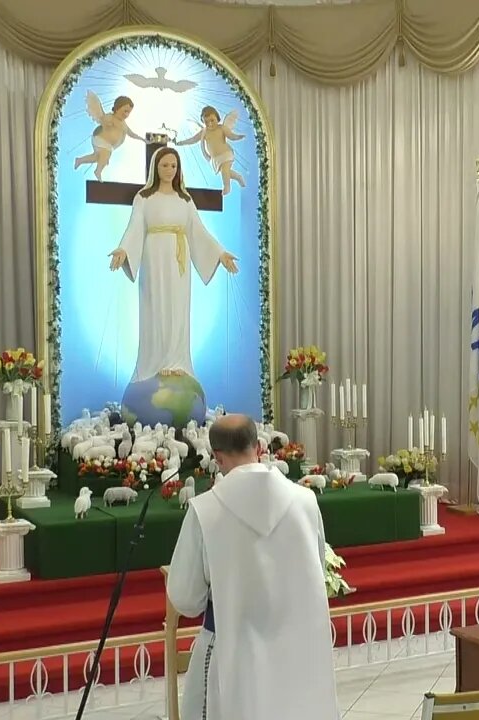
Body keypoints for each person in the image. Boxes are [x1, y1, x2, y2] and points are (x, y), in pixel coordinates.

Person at [167, 414, 339, 720]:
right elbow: (315, 567)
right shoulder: (305, 501)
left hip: (230, 654)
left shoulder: (205, 511)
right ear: (258, 447)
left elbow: (186, 598)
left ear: (217, 458)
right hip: (295, 652)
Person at [108, 147, 239, 382]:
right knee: (155, 306)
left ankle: (177, 361)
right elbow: (134, 226)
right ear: (155, 168)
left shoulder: (185, 200)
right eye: (165, 165)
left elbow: (198, 230)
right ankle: (155, 362)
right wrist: (124, 249)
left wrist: (220, 253)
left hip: (179, 261)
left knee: (178, 308)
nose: (169, 170)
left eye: (174, 166)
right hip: (154, 256)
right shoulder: (144, 198)